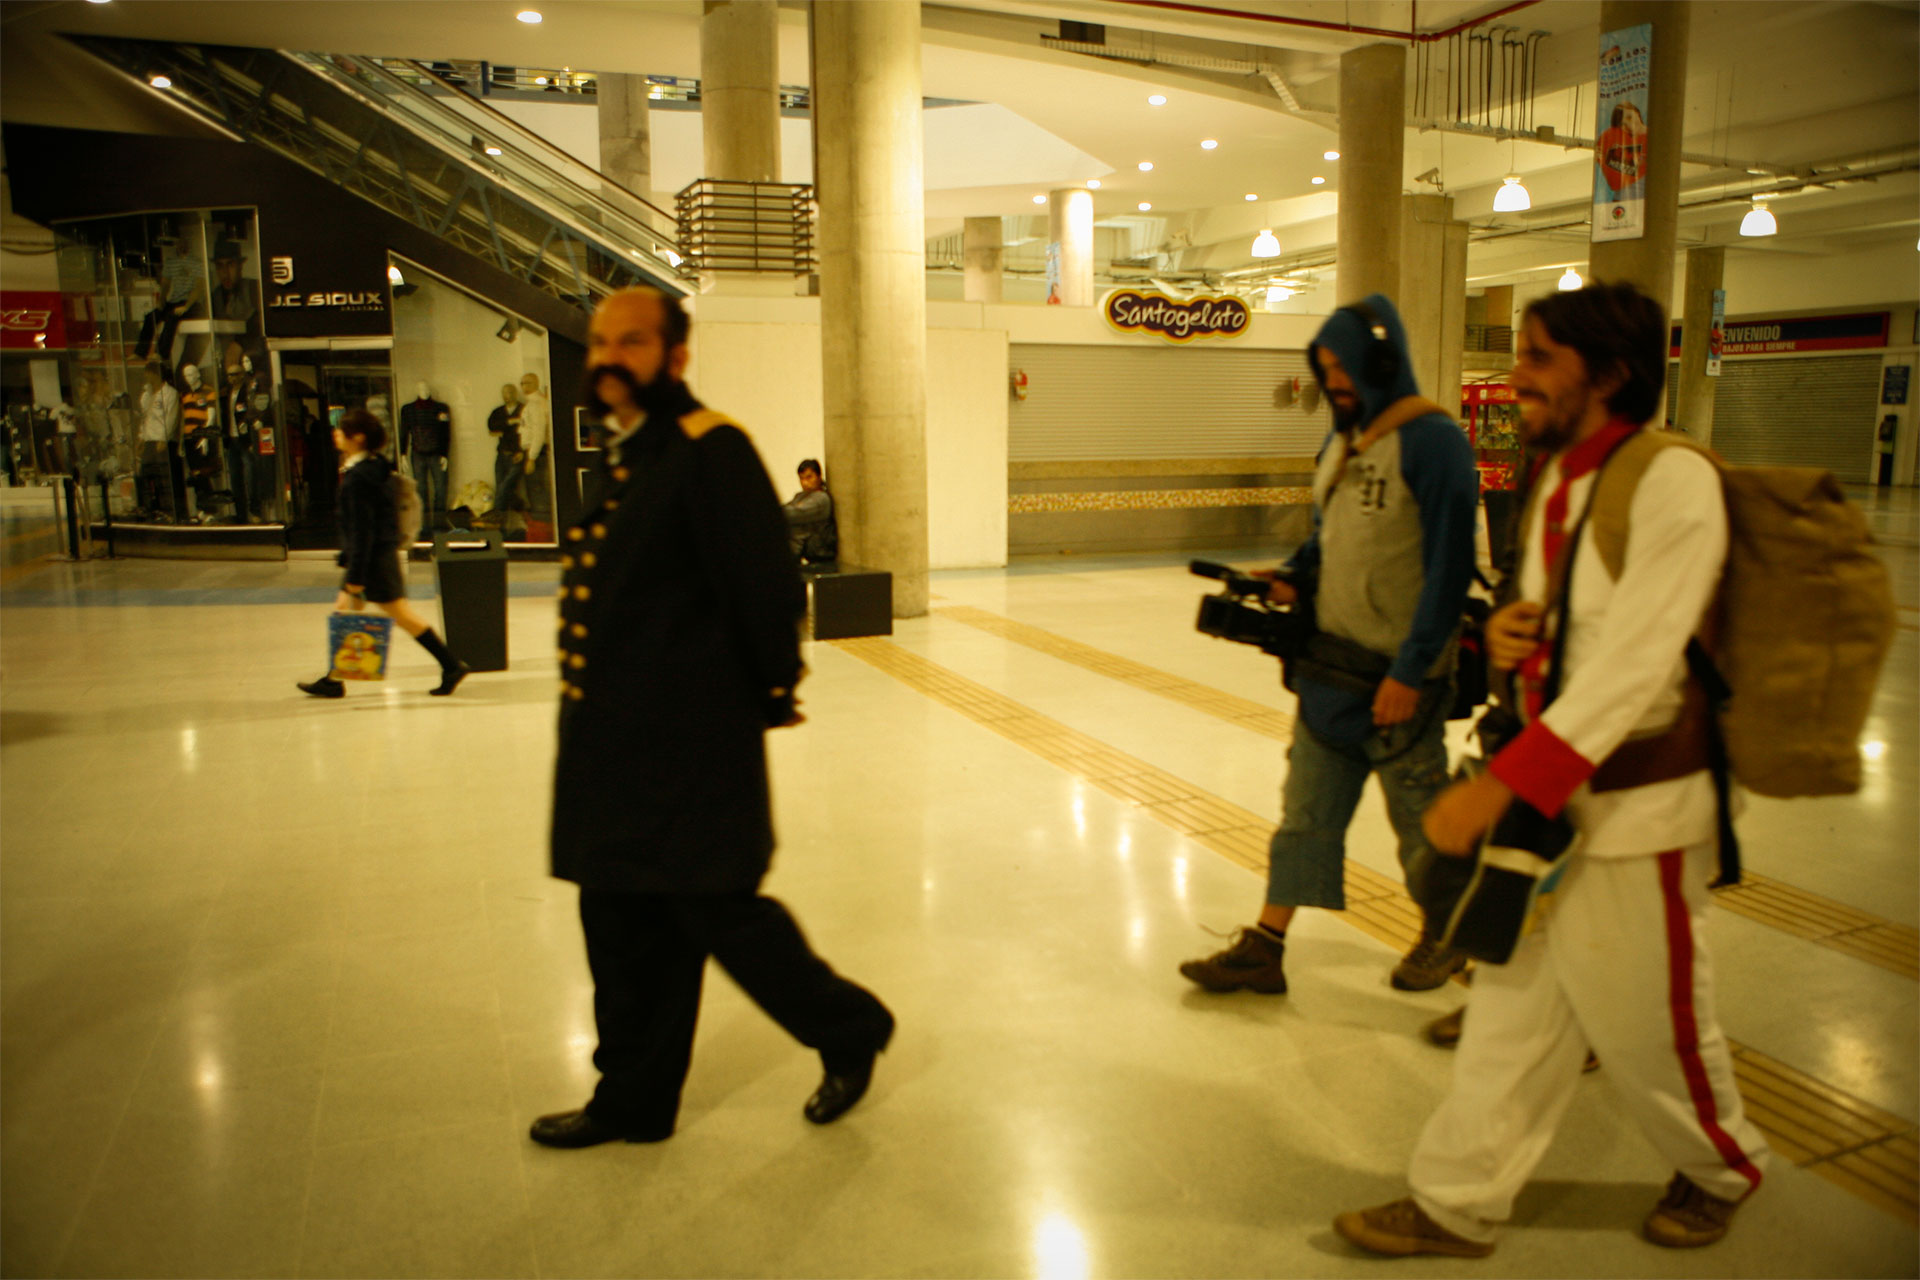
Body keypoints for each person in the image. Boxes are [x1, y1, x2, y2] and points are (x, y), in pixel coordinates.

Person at [1334, 281, 1770, 1259]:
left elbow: (1640, 662)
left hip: (1641, 811)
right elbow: (1568, 638)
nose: (1514, 377)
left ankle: (1723, 1165)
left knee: (1653, 1022)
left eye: (1537, 359)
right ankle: (1457, 1199)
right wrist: (1508, 635)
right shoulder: (1562, 477)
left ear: (1609, 373)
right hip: (1552, 802)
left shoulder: (1672, 479)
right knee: (1511, 1013)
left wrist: (1501, 782)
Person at [529, 287, 893, 1150]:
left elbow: (765, 589)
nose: (609, 357)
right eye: (600, 343)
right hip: (611, 746)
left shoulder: (710, 449)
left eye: (632, 342)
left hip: (688, 747)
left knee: (721, 917)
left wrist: (770, 693)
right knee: (617, 928)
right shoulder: (630, 455)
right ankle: (633, 1101)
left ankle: (848, 1027)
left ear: (676, 356)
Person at [1178, 293, 1479, 996]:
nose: (1333, 382)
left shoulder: (1435, 443)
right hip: (1329, 674)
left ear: (1381, 363)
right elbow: (1330, 536)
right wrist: (1293, 577)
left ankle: (1457, 939)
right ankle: (1265, 945)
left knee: (1421, 829)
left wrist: (1411, 671)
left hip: (1401, 685)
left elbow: (1450, 570)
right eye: (1325, 368)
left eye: (1343, 367)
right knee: (1304, 817)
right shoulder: (1342, 441)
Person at [297, 408, 469, 699]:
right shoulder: (374, 468)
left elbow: (364, 530)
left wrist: (356, 574)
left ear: (358, 438)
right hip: (375, 558)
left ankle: (451, 665)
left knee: (401, 616)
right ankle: (334, 678)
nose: (336, 434)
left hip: (372, 562)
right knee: (346, 612)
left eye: (342, 430)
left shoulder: (360, 477)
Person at [783, 457, 838, 567]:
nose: (805, 483)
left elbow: (792, 514)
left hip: (816, 555)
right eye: (802, 478)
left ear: (819, 477)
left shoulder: (821, 499)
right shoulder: (800, 496)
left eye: (809, 477)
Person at [488, 381, 525, 515]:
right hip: (502, 453)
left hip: (517, 454)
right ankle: (515, 511)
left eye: (509, 392)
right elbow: (492, 427)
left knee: (505, 486)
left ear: (515, 393)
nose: (506, 396)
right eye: (503, 393)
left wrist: (521, 451)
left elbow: (527, 432)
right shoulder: (498, 412)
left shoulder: (523, 409)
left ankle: (496, 515)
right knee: (501, 486)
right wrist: (510, 422)